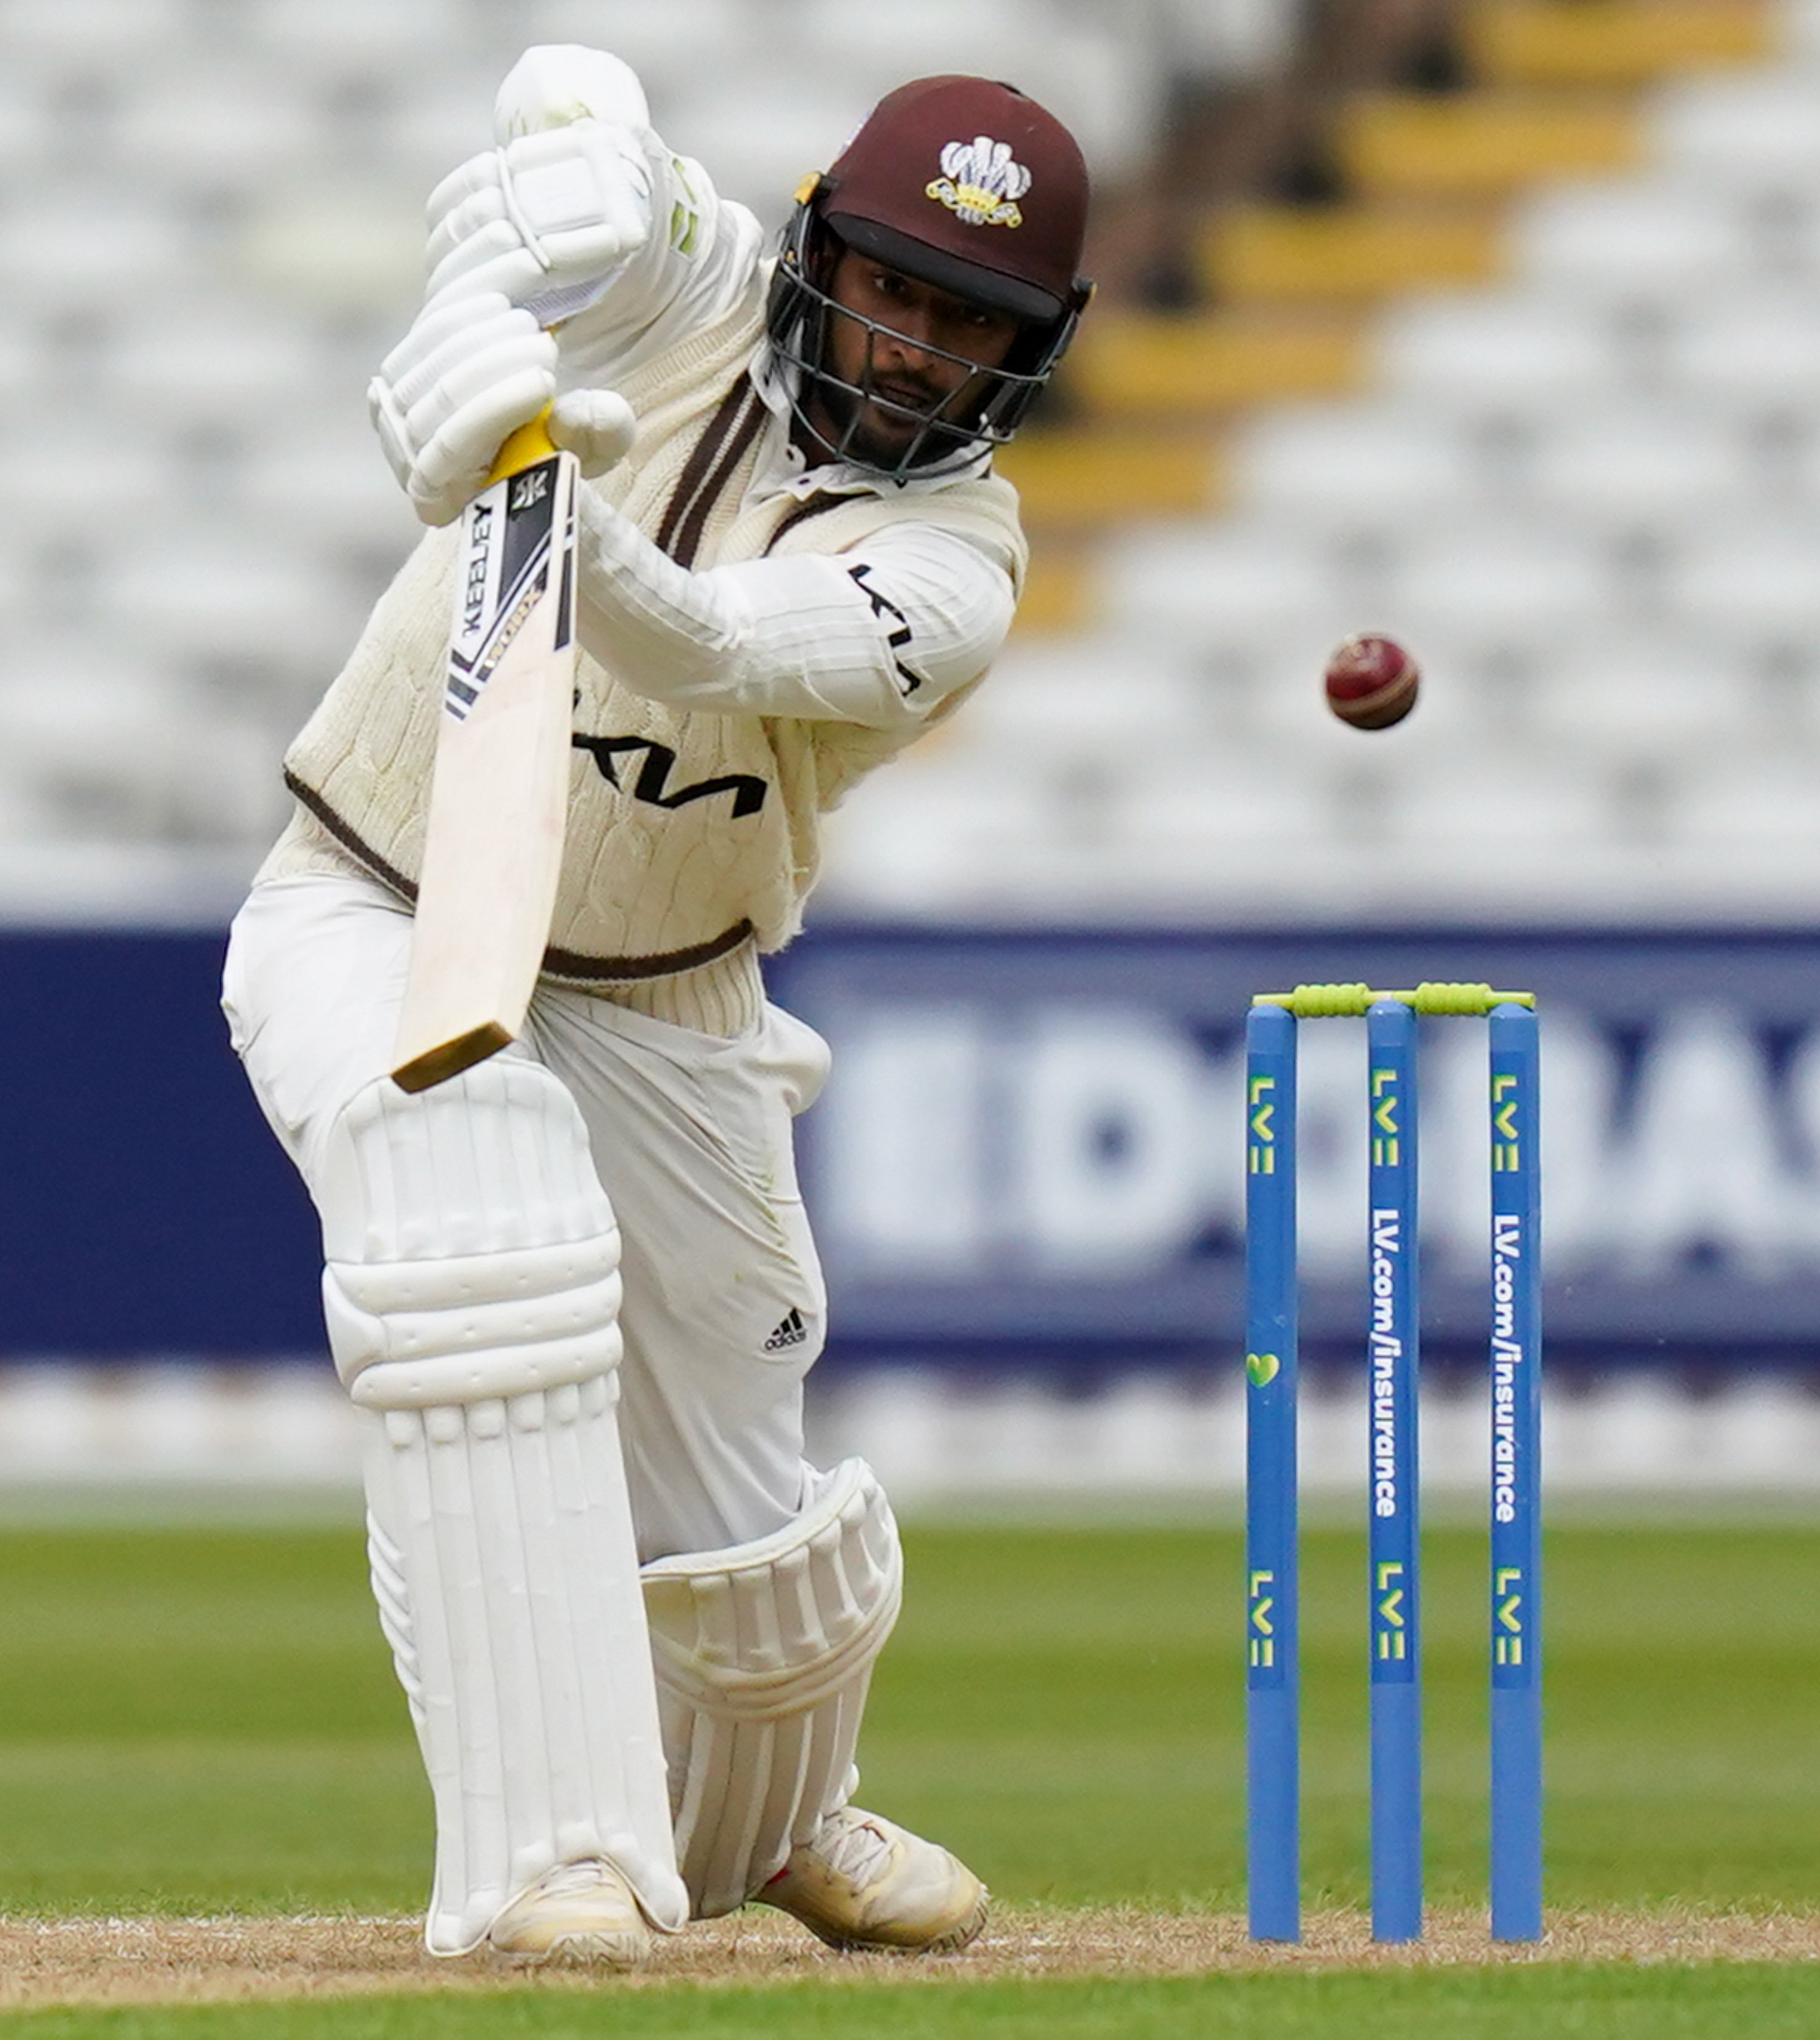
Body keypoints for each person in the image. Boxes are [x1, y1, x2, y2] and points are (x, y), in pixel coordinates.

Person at [218, 48, 1090, 1967]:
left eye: (971, 320)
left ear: (1024, 354)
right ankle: (554, 1857)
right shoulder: (687, 288)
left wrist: (529, 491)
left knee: (745, 1512)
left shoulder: (959, 564)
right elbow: (580, 113)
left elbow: (703, 639)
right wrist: (557, 172)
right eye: (892, 280)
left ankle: (765, 1818)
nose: (918, 342)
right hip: (377, 899)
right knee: (474, 1220)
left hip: (671, 997)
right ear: (818, 249)